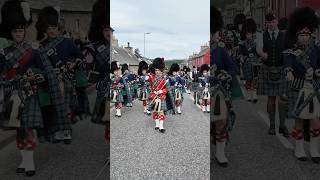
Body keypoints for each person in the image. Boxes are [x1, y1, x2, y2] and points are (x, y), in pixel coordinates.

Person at [35, 6, 85, 144]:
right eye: (49, 28)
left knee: (64, 105)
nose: (51, 31)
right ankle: (57, 131)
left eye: (54, 27)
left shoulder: (67, 42)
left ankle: (67, 131)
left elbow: (80, 56)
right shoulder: (42, 45)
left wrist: (73, 64)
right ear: (45, 29)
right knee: (53, 107)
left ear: (58, 28)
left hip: (65, 77)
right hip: (48, 79)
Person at [284, 7, 320, 163]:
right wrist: (289, 72)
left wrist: (318, 71)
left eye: (307, 34)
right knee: (299, 120)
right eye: (302, 35)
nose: (305, 38)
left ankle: (314, 149)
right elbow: (288, 65)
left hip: (313, 88)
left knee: (315, 120)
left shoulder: (316, 50)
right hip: (298, 88)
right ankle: (299, 148)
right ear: (296, 36)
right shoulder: (290, 52)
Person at [210, 6, 238, 167]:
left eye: (212, 32)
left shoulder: (221, 51)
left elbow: (233, 67)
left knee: (220, 123)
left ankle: (220, 154)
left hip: (219, 93)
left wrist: (226, 74)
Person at [256, 13, 289, 136]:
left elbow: (288, 50)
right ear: (267, 23)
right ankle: (272, 125)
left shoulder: (284, 35)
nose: (271, 24)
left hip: (281, 69)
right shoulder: (261, 35)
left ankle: (282, 125)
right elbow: (258, 48)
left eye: (273, 21)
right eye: (269, 22)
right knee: (271, 99)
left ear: (276, 21)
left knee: (283, 98)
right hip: (268, 68)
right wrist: (262, 54)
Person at [145, 58, 175, 133]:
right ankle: (157, 124)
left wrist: (162, 90)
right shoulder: (152, 78)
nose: (157, 72)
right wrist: (146, 80)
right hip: (154, 97)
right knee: (155, 112)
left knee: (161, 111)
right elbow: (148, 84)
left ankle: (161, 126)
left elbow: (168, 89)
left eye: (158, 70)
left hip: (161, 97)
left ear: (161, 70)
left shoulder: (165, 80)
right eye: (156, 70)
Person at [239, 18, 259, 103]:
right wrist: (242, 59)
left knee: (255, 80)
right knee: (248, 80)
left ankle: (254, 96)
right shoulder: (242, 44)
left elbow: (257, 52)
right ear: (245, 34)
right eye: (247, 34)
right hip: (246, 62)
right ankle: (248, 95)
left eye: (250, 33)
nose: (249, 35)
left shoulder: (255, 43)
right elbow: (241, 54)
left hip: (254, 62)